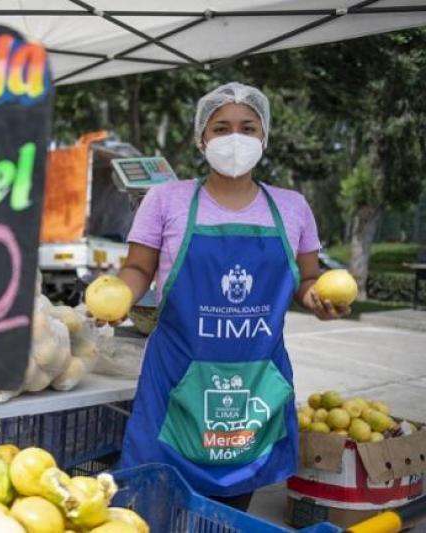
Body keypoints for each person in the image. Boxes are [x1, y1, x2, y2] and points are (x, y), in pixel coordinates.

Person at [112, 82, 351, 511]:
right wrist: (117, 297)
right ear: (201, 138)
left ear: (264, 137)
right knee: (157, 508)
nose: (234, 138)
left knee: (228, 516)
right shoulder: (166, 200)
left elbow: (308, 280)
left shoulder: (292, 207)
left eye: (247, 127)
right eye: (221, 128)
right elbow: (138, 269)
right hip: (177, 384)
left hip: (255, 392)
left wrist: (318, 299)